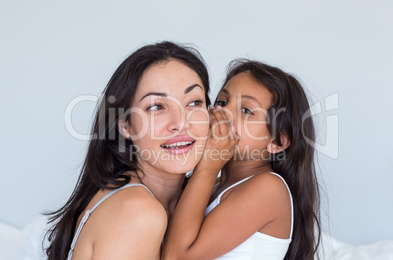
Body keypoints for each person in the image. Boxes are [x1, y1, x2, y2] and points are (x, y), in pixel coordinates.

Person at [45, 41, 212, 260]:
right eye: (156, 107)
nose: (180, 122)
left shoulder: (193, 201)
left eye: (194, 102)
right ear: (125, 125)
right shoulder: (137, 213)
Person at [162, 59, 321, 260]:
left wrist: (208, 167)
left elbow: (175, 257)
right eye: (221, 102)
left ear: (277, 141)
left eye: (246, 110)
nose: (223, 112)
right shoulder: (214, 185)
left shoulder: (269, 188)